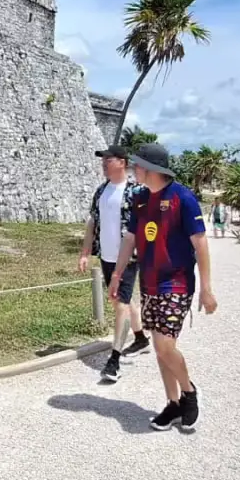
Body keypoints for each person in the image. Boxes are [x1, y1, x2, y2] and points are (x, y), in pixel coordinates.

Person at [107, 143, 218, 431]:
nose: (134, 170)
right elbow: (130, 239)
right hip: (150, 283)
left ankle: (189, 392)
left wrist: (206, 289)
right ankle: (172, 404)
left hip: (177, 283)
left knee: (166, 345)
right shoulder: (141, 199)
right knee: (160, 349)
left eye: (138, 165)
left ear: (152, 169)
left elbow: (200, 243)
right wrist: (118, 275)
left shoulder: (183, 197)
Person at [78, 145, 147, 382]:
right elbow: (92, 223)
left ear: (122, 162)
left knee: (120, 304)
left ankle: (114, 361)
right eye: (103, 159)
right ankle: (140, 338)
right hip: (106, 256)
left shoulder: (137, 191)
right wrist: (85, 252)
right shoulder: (101, 191)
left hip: (128, 258)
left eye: (109, 159)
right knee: (125, 301)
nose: (104, 162)